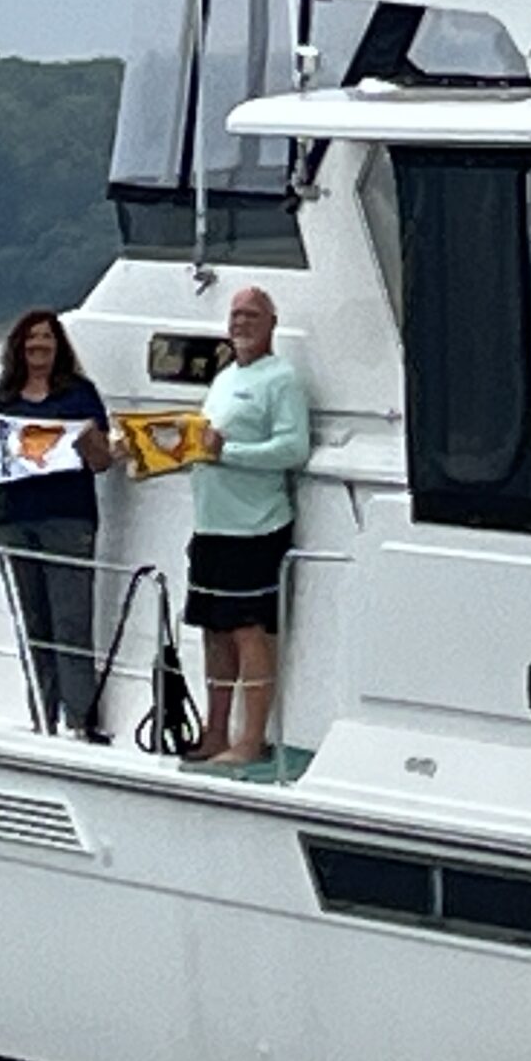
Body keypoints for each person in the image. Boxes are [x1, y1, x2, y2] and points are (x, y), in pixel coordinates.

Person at [0, 309, 114, 740]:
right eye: (31, 338)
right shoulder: (4, 397)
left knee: (71, 620)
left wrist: (87, 438)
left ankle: (80, 719)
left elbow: (102, 461)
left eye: (47, 338)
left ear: (59, 345)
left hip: (67, 517)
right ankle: (42, 714)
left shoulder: (80, 394)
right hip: (14, 518)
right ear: (19, 346)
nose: (38, 345)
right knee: (32, 621)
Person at [186, 285, 310, 764]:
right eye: (236, 314)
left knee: (248, 631)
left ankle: (250, 740)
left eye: (252, 314)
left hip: (254, 527)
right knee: (214, 631)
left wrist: (227, 452)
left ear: (272, 323)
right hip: (211, 526)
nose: (241, 322)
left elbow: (292, 448)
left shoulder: (281, 379)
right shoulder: (224, 379)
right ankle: (215, 732)